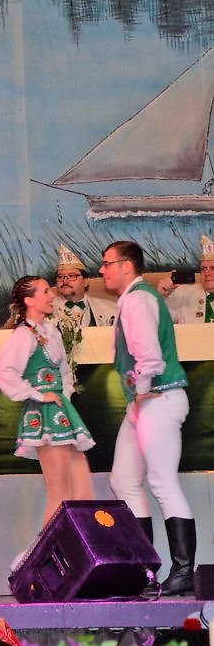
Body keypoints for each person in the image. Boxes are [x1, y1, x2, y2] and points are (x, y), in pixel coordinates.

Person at [103, 240, 195, 596]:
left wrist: (141, 391)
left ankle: (183, 571)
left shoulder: (138, 299)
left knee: (162, 482)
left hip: (158, 398)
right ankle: (145, 569)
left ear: (127, 265)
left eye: (108, 263)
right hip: (145, 402)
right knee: (123, 479)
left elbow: (150, 356)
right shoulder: (133, 298)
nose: (103, 270)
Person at [0, 276, 93, 529]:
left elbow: (64, 373)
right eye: (45, 291)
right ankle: (50, 550)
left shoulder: (50, 330)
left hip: (61, 411)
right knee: (60, 493)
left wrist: (64, 398)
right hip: (44, 414)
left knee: (83, 490)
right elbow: (4, 372)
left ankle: (78, 546)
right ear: (29, 300)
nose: (52, 296)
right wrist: (39, 395)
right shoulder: (23, 335)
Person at [52, 244, 116, 327]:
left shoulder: (110, 308)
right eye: (60, 277)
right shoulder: (46, 310)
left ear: (85, 281)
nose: (65, 281)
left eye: (71, 276)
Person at [163, 234, 214, 324]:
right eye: (203, 269)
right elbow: (157, 321)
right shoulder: (182, 293)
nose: (206, 273)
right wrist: (161, 296)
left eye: (213, 268)